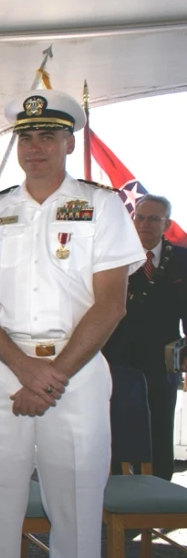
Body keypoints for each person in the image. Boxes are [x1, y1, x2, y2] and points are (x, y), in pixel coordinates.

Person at [0, 89, 145, 558]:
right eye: (26, 137)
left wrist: (50, 376)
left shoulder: (102, 206)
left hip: (76, 372)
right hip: (6, 370)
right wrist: (26, 370)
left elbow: (110, 305)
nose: (35, 147)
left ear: (69, 143)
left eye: (47, 136)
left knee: (78, 511)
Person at [103, 194, 187, 480]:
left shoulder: (182, 259)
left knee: (159, 429)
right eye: (139, 217)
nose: (144, 224)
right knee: (112, 428)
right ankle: (113, 500)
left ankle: (158, 495)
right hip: (113, 357)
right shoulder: (111, 255)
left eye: (154, 219)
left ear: (167, 224)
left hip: (161, 362)